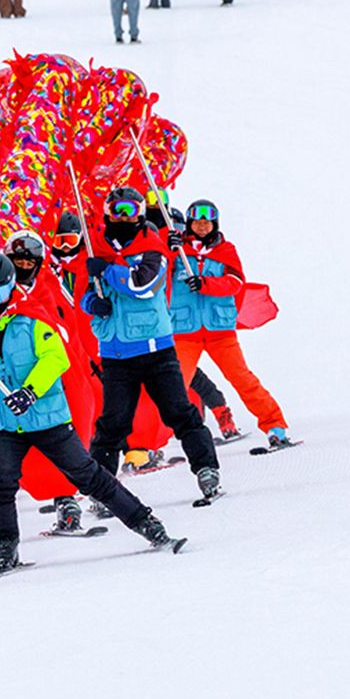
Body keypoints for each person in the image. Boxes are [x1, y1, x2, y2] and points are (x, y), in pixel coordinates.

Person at [0, 254, 177, 573]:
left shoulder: (30, 316)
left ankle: (146, 523)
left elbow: (56, 358)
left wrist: (30, 391)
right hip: (1, 421)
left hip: (45, 417)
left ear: (11, 287)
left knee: (88, 475)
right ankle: (5, 549)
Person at [77, 187, 221, 500]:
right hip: (116, 351)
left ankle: (207, 468)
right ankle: (101, 490)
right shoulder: (95, 248)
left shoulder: (151, 247)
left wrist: (108, 270)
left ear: (141, 213)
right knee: (112, 424)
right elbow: (86, 291)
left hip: (155, 348)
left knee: (178, 412)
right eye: (117, 210)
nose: (123, 217)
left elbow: (142, 285)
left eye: (130, 210)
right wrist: (93, 303)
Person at [171, 199, 293, 448]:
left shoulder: (225, 251)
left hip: (219, 330)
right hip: (184, 330)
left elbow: (235, 283)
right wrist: (167, 244)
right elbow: (155, 267)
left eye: (207, 222)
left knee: (241, 378)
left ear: (214, 224)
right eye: (197, 222)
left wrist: (206, 284)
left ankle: (275, 426)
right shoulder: (177, 251)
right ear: (189, 224)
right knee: (173, 387)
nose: (202, 226)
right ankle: (153, 446)